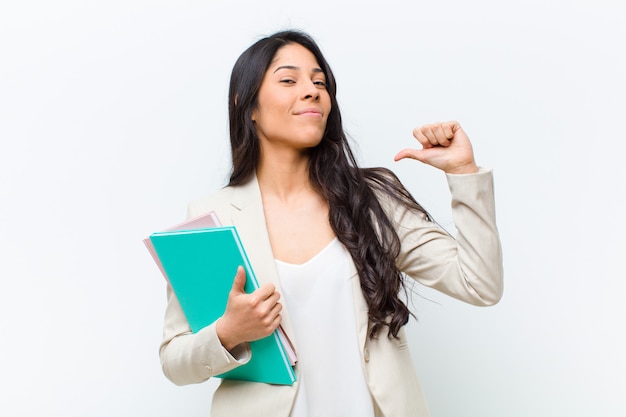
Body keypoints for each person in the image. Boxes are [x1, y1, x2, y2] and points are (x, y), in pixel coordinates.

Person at [159, 30, 503, 417]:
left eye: (320, 82)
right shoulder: (212, 218)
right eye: (289, 80)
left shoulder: (372, 200)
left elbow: (480, 284)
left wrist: (464, 173)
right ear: (247, 104)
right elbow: (174, 360)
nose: (312, 91)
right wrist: (228, 333)